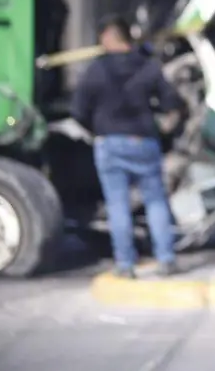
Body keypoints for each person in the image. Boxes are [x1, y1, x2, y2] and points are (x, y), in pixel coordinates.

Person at [71, 15, 183, 278]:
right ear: (128, 39)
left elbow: (78, 110)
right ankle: (166, 259)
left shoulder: (96, 70)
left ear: (106, 39)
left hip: (109, 143)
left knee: (117, 205)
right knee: (155, 201)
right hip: (144, 141)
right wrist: (165, 127)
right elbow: (172, 103)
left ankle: (125, 265)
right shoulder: (149, 67)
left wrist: (97, 130)